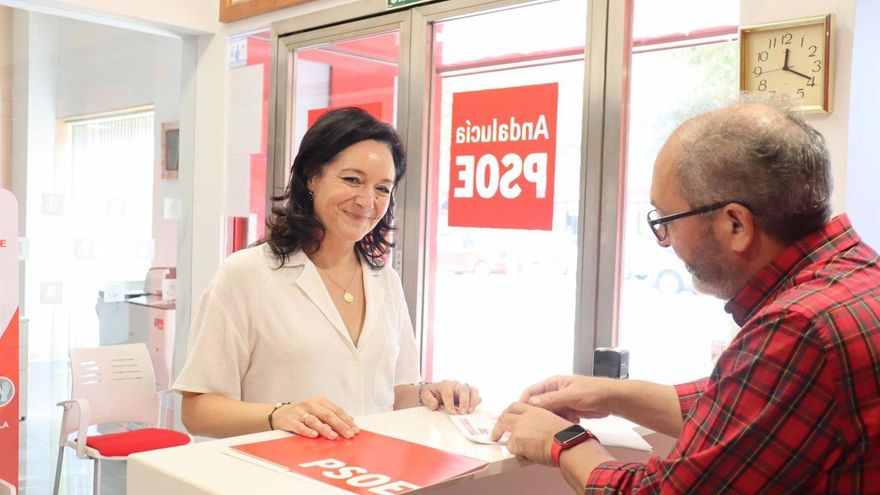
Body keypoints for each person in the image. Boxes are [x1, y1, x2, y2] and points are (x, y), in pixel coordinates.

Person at [491, 101, 880, 493]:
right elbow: (747, 409)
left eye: (666, 220)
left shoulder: (799, 328)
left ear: (736, 224)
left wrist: (563, 440)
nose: (664, 242)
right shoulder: (855, 279)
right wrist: (611, 394)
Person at [174, 107, 480, 439]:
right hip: (276, 466)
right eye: (352, 180)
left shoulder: (385, 281)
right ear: (312, 176)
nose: (367, 201)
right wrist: (279, 414)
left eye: (382, 188)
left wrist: (429, 394)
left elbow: (394, 391)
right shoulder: (246, 275)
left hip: (370, 466)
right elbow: (197, 410)